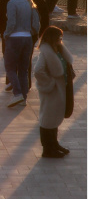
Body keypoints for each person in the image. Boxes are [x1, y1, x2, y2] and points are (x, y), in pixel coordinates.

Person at [33, 26, 74, 158]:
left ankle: (54, 143)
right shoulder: (46, 52)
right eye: (59, 38)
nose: (60, 40)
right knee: (47, 119)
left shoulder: (58, 49)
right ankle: (47, 149)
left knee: (55, 117)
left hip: (60, 89)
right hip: (52, 91)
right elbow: (38, 71)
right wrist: (49, 84)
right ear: (52, 38)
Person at [1, 0, 41, 108]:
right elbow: (36, 24)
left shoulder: (12, 3)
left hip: (15, 38)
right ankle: (23, 98)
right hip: (27, 38)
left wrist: (6, 34)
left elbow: (11, 22)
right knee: (23, 69)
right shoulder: (28, 2)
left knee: (10, 67)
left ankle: (17, 93)